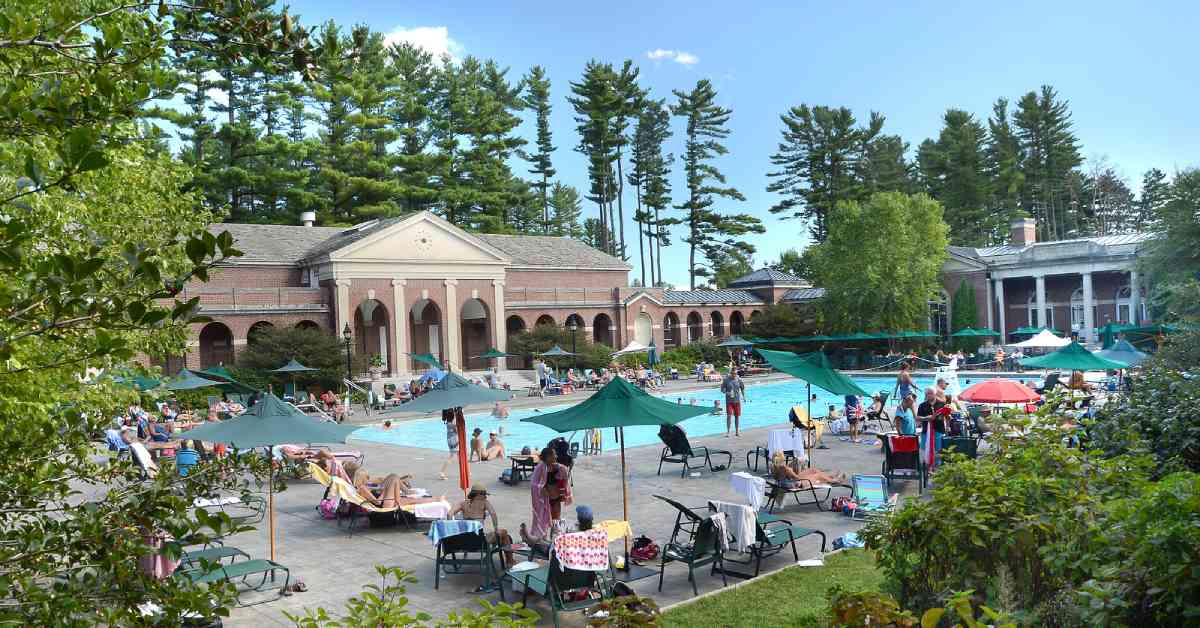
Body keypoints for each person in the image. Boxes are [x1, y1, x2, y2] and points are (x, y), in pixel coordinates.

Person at [449, 483, 515, 567]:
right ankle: (510, 562)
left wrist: (451, 528)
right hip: (479, 541)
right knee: (504, 533)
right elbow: (493, 513)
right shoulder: (484, 503)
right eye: (484, 494)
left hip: (464, 540)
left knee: (506, 537)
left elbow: (449, 514)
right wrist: (495, 528)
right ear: (478, 495)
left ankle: (510, 561)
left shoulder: (462, 503)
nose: (485, 497)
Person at [344, 462, 437, 510]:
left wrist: (382, 490)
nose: (367, 477)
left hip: (385, 500)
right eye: (365, 477)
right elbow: (377, 502)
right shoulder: (362, 488)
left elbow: (379, 482)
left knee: (393, 477)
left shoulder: (363, 487)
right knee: (393, 478)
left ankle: (436, 500)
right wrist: (384, 492)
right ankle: (405, 494)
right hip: (384, 504)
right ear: (360, 478)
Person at [528, 445, 572, 541]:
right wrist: (541, 488)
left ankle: (554, 540)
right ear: (547, 457)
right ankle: (542, 540)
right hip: (544, 501)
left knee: (556, 520)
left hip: (555, 499)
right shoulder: (540, 468)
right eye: (553, 455)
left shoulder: (558, 467)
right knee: (543, 522)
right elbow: (533, 484)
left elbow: (564, 479)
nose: (556, 456)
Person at [769, 451, 846, 488]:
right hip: (794, 484)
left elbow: (785, 475)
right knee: (817, 475)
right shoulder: (785, 468)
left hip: (787, 482)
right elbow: (797, 477)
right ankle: (834, 480)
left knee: (813, 470)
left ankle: (831, 476)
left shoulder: (773, 466)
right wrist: (798, 467)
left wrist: (794, 464)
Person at [916, 387, 948, 462]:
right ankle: (926, 466)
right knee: (924, 449)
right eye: (927, 394)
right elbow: (918, 418)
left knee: (938, 449)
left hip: (939, 430)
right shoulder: (922, 405)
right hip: (926, 431)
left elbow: (947, 417)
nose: (929, 395)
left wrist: (947, 427)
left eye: (931, 393)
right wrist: (926, 418)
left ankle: (937, 466)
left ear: (935, 394)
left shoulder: (942, 404)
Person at [720, 369, 747, 437]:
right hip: (729, 401)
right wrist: (727, 393)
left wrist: (744, 397)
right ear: (730, 373)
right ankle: (728, 432)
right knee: (729, 416)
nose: (734, 375)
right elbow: (722, 389)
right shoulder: (726, 380)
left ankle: (737, 431)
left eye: (735, 373)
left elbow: (742, 388)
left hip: (737, 401)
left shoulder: (739, 379)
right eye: (732, 373)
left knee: (737, 416)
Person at [438, 409, 460, 481]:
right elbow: (457, 430)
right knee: (452, 456)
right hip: (454, 440)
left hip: (450, 439)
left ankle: (465, 471)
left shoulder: (448, 423)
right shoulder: (453, 423)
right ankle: (442, 472)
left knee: (458, 455)